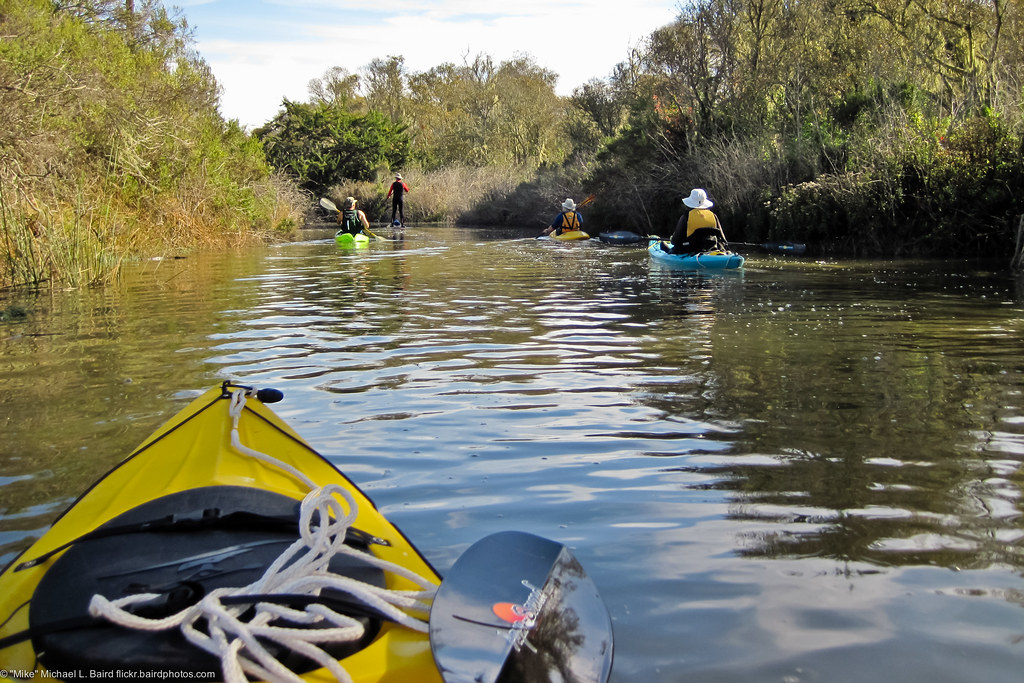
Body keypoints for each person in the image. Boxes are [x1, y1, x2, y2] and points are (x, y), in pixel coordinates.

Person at [667, 188, 728, 254]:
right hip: (710, 248)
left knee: (668, 247)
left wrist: (672, 239)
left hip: (689, 249)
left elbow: (676, 240)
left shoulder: (686, 216)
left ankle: (664, 247)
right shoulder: (713, 216)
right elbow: (723, 240)